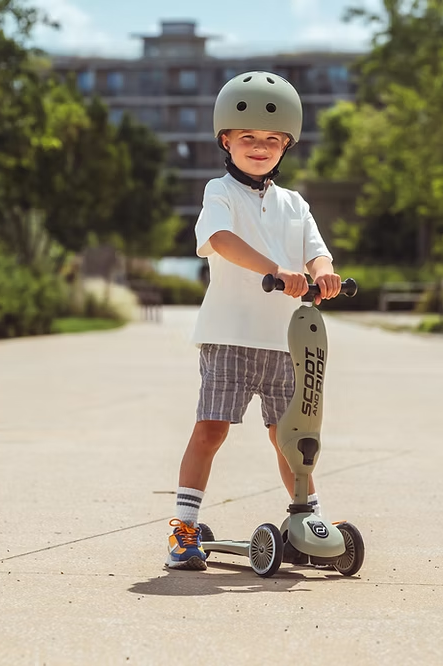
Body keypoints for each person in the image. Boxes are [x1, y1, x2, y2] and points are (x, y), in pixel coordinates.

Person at [166, 71, 343, 570]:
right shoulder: (219, 192)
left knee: (292, 439)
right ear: (226, 140)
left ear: (286, 145)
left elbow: (318, 253)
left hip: (285, 342)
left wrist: (324, 276)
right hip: (229, 336)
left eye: (271, 140)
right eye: (248, 138)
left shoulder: (295, 204)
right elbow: (219, 239)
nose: (260, 147)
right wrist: (274, 269)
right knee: (211, 430)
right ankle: (183, 528)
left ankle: (308, 520)